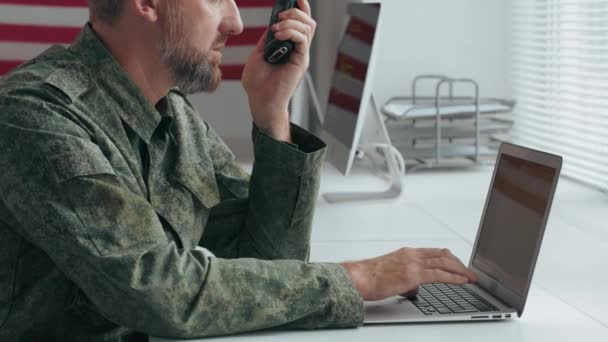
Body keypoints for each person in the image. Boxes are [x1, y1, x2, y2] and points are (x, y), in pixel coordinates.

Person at [0, 0, 478, 341]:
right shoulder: (35, 116)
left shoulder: (174, 116)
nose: (234, 21)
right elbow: (158, 291)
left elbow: (270, 262)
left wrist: (271, 113)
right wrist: (354, 278)